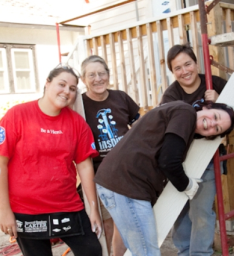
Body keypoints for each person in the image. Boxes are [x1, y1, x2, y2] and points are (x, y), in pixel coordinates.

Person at [0, 65, 102, 256]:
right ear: (47, 83)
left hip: (67, 206)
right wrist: (5, 211)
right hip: (26, 210)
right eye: (61, 84)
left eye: (72, 89)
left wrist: (93, 209)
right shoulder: (17, 115)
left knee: (92, 251)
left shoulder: (77, 123)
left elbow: (85, 166)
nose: (66, 91)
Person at [95, 99, 234, 256]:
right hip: (126, 185)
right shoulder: (186, 113)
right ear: (206, 107)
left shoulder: (182, 120)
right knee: (147, 252)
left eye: (216, 129)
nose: (211, 124)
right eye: (215, 116)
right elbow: (169, 162)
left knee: (142, 251)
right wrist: (186, 185)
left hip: (121, 184)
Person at [160, 43, 233, 256]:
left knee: (201, 212)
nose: (184, 71)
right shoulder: (171, 96)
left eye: (187, 64)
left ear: (196, 63)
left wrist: (221, 100)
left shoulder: (214, 83)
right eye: (178, 68)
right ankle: (185, 252)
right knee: (180, 210)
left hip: (207, 160)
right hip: (179, 162)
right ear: (173, 72)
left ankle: (200, 254)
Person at [80, 55, 140, 256]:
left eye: (101, 73)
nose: (98, 79)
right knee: (106, 222)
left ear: (108, 75)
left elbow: (140, 122)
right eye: (91, 75)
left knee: (125, 221)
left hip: (125, 171)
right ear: (83, 79)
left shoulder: (121, 97)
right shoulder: (79, 104)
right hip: (99, 174)